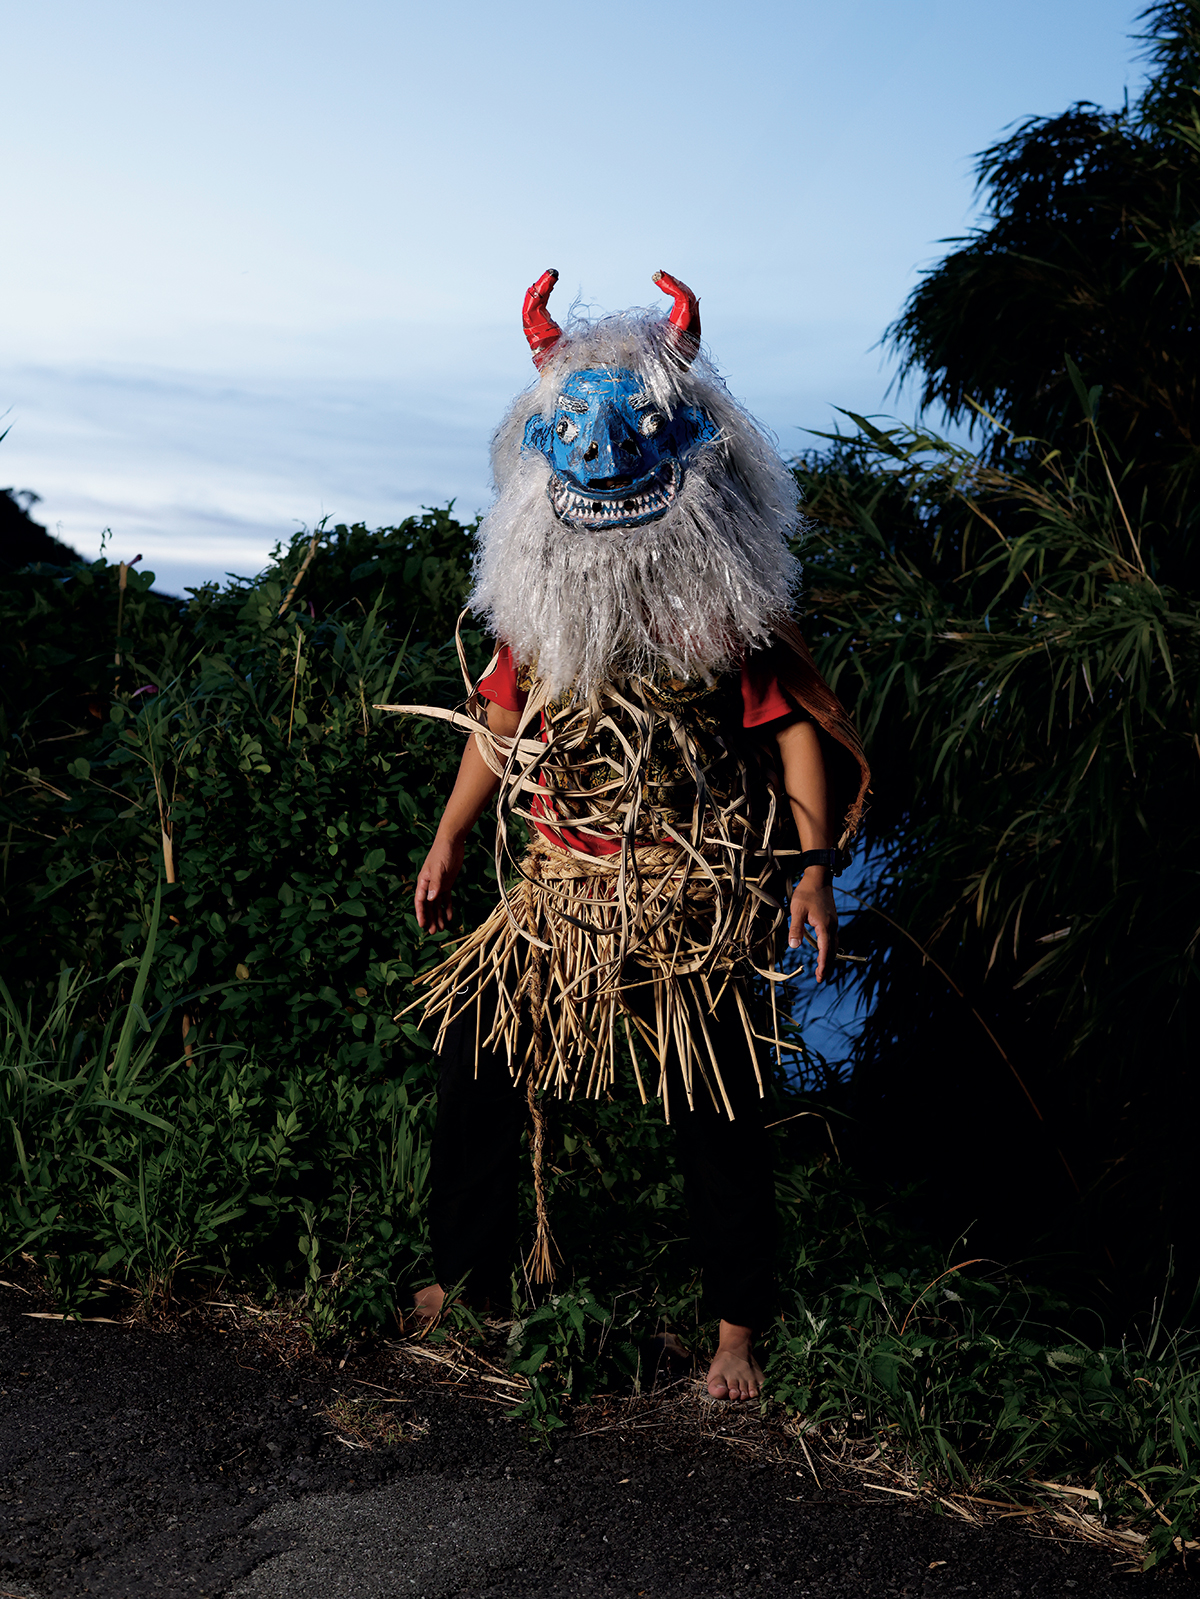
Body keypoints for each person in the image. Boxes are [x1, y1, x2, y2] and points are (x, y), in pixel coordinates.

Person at [389, 270, 868, 1401]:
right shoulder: (540, 605)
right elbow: (498, 720)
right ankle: (461, 1277)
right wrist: (452, 838)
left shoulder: (723, 609)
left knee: (717, 1104)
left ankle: (735, 1333)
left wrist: (809, 871)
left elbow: (792, 734)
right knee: (476, 1053)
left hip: (683, 908)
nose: (601, 461)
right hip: (560, 896)